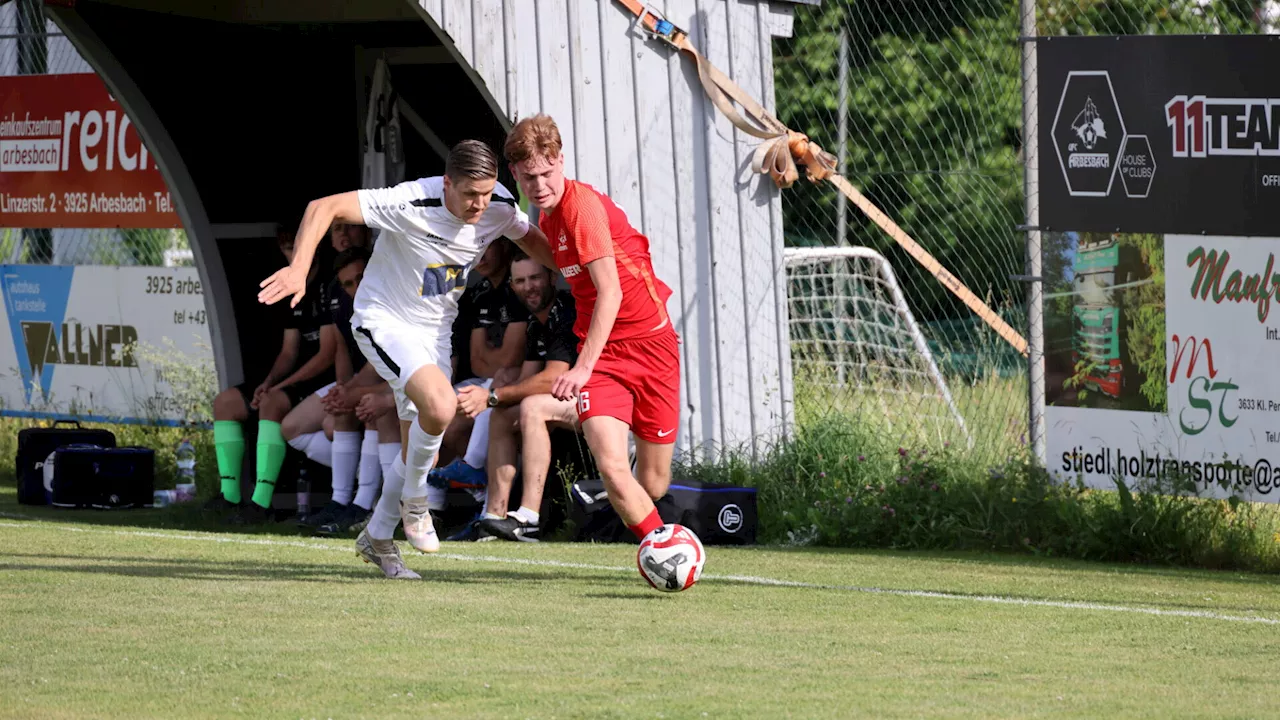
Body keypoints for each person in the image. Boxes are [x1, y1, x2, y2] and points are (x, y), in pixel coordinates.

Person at [258, 139, 555, 580]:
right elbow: (323, 207)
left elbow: (533, 240)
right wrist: (300, 266)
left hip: (434, 333)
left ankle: (378, 536)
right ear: (447, 183)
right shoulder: (411, 199)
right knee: (440, 407)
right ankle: (415, 504)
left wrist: (581, 274)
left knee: (421, 448)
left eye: (487, 193)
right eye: (470, 194)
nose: (479, 205)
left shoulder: (498, 205)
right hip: (384, 320)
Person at [504, 114, 680, 546]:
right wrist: (511, 226)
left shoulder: (581, 208)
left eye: (547, 173)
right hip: (602, 354)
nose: (539, 185)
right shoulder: (547, 217)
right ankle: (663, 550)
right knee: (612, 464)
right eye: (529, 178)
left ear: (561, 161)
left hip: (652, 346)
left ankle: (628, 504)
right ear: (515, 174)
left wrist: (579, 369)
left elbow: (611, 293)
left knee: (653, 484)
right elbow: (553, 259)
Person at [206, 224, 336, 524]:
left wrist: (280, 387)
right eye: (287, 249)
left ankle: (261, 503)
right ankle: (230, 498)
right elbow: (289, 352)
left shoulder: (329, 285)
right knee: (226, 402)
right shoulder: (290, 287)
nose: (293, 255)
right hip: (291, 378)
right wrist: (267, 383)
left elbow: (326, 355)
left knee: (272, 402)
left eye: (298, 247)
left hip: (320, 380)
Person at [451, 250, 579, 542]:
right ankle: (493, 517)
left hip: (603, 400)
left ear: (552, 277)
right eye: (520, 281)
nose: (528, 286)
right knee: (503, 415)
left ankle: (528, 520)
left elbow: (551, 378)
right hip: (566, 400)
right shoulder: (536, 321)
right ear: (512, 286)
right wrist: (498, 395)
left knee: (531, 407)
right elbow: (527, 380)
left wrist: (493, 394)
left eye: (535, 277)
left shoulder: (565, 310)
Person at [283, 245, 402, 536]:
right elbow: (347, 355)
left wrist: (353, 391)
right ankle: (347, 498)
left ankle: (371, 502)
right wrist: (344, 390)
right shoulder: (348, 306)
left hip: (410, 385)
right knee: (303, 423)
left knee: (370, 406)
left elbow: (390, 365)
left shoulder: (395, 300)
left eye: (361, 278)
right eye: (348, 283)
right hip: (372, 382)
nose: (355, 287)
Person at [427, 237, 530, 501]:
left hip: (521, 380)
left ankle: (477, 482)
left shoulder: (518, 286)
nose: (479, 255)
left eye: (487, 246)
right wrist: (497, 360)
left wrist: (496, 360)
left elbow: (512, 360)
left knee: (499, 381)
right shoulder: (480, 292)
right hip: (484, 379)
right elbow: (477, 361)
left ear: (503, 246)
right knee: (435, 414)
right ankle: (454, 504)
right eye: (476, 248)